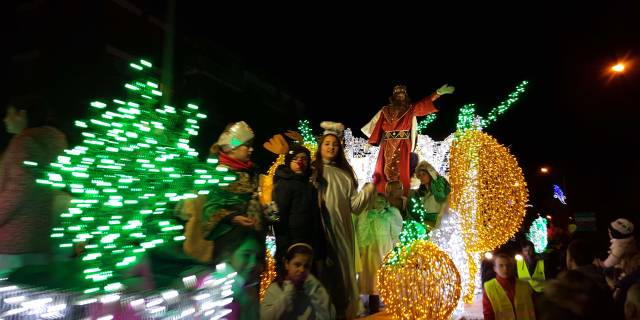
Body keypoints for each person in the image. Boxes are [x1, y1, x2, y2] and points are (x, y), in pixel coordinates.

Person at [311, 121, 375, 319]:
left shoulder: (345, 176)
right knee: (321, 275)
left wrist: (369, 189)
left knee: (342, 276)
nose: (331, 147)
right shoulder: (312, 172)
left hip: (342, 234)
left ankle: (343, 312)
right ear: (320, 146)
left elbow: (355, 207)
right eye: (327, 143)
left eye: (335, 144)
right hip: (319, 232)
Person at [0, 94, 67, 275]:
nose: (5, 119)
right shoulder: (54, 145)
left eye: (9, 113)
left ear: (22, 114)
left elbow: (19, 189)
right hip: (40, 237)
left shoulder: (22, 143)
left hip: (12, 242)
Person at [361, 84, 454, 195]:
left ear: (406, 96)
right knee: (385, 170)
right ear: (394, 97)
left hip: (403, 144)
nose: (400, 97)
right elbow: (378, 125)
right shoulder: (385, 110)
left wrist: (437, 93)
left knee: (401, 170)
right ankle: (384, 195)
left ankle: (401, 197)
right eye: (398, 95)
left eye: (402, 95)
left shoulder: (410, 109)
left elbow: (423, 104)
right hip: (388, 144)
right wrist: (371, 141)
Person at [272, 143, 324, 273]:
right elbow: (278, 218)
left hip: (309, 243)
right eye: (295, 158)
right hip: (291, 245)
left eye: (304, 158)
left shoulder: (310, 185)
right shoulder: (284, 184)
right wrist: (284, 247)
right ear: (289, 161)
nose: (300, 162)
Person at [355, 193, 403, 314]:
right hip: (373, 250)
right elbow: (362, 231)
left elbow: (395, 233)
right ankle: (374, 307)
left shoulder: (390, 216)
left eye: (382, 201)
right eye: (377, 201)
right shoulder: (368, 216)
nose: (380, 203)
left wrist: (396, 246)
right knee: (373, 277)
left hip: (386, 248)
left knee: (386, 275)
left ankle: (389, 304)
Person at [261, 243, 335, 319]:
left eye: (306, 266)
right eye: (297, 265)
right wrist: (288, 294)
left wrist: (316, 289)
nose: (302, 270)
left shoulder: (313, 292)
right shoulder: (274, 289)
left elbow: (328, 315)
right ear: (287, 264)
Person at [211, 226, 266, 320]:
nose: (253, 263)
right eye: (246, 255)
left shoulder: (248, 289)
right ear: (229, 254)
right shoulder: (217, 292)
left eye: (257, 258)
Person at [483, 253, 536, 320]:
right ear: (495, 269)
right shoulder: (489, 287)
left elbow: (535, 308)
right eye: (501, 266)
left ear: (513, 267)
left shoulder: (525, 285)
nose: (505, 269)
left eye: (509, 265)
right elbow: (488, 314)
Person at [409, 160, 450, 228]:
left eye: (424, 174)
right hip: (426, 224)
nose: (421, 177)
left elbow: (442, 198)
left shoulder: (438, 187)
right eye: (419, 175)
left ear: (430, 174)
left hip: (440, 224)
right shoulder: (421, 192)